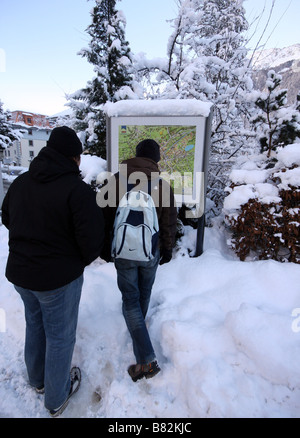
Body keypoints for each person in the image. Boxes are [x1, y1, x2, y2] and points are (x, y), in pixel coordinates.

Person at [1, 126, 105, 417]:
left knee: (35, 325)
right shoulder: (77, 191)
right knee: (60, 337)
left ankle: (37, 381)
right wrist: (76, 260)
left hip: (22, 275)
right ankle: (57, 398)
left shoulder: (21, 183)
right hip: (57, 280)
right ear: (73, 158)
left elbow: (7, 216)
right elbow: (92, 240)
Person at [100, 139, 177, 382]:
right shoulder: (162, 186)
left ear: (135, 156)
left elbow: (102, 217)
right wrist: (167, 249)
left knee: (130, 299)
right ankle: (146, 358)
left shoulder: (116, 180)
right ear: (155, 160)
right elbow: (168, 222)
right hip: (150, 251)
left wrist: (105, 247)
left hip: (123, 252)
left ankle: (140, 339)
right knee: (143, 294)